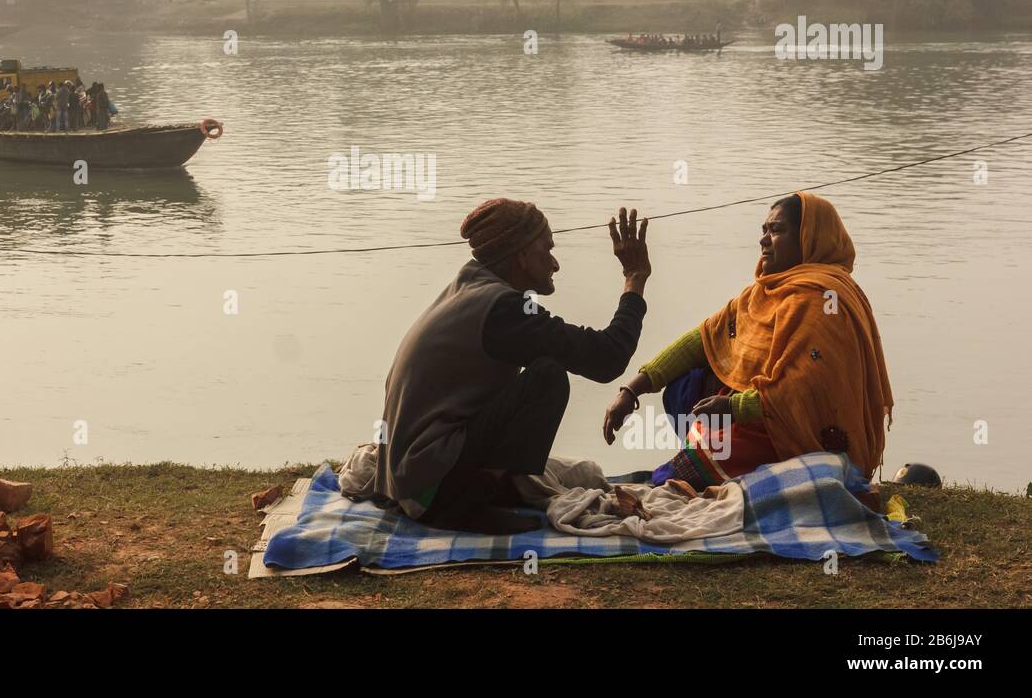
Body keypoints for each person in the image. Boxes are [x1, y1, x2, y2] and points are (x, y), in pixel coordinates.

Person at [373, 200, 653, 534]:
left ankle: (476, 490)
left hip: (405, 476)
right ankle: (465, 506)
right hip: (423, 486)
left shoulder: (471, 288)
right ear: (521, 255)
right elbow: (607, 359)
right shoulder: (505, 309)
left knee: (537, 374)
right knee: (547, 376)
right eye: (547, 249)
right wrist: (634, 279)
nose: (555, 263)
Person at [602, 192, 892, 489]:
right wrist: (632, 390)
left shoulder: (823, 298)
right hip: (757, 416)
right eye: (764, 230)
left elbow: (802, 386)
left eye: (776, 230)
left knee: (678, 477)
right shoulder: (765, 291)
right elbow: (702, 340)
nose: (764, 240)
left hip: (798, 432)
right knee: (687, 382)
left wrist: (734, 407)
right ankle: (713, 460)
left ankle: (725, 466)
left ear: (808, 238)